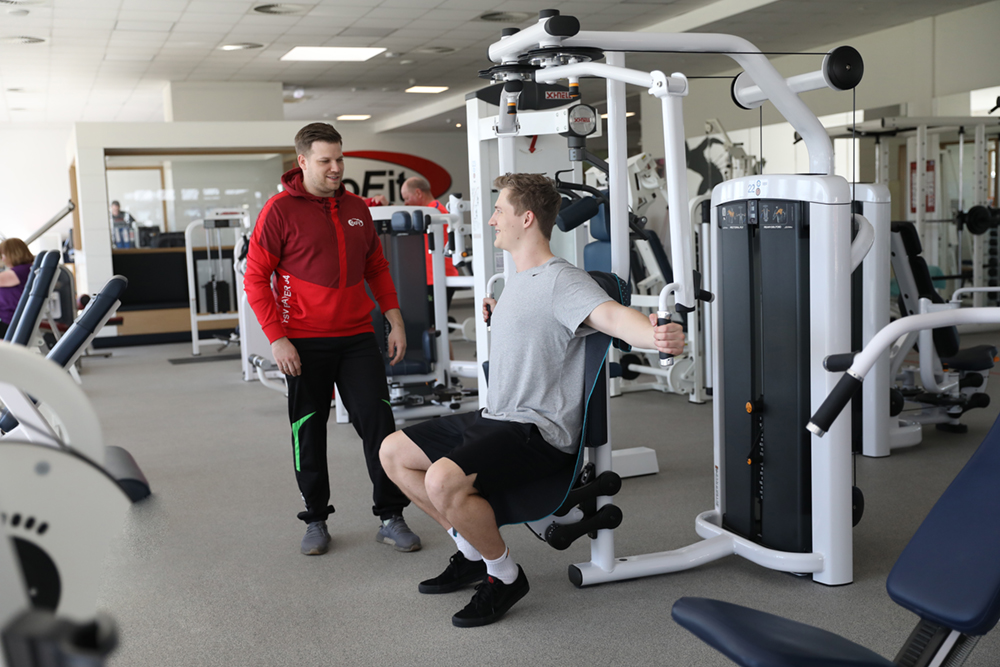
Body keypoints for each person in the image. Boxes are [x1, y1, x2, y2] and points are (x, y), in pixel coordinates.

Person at [380, 173, 685, 627]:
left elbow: (613, 317)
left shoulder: (563, 280)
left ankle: (504, 575)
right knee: (392, 452)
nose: (491, 220)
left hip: (536, 431)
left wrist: (657, 336)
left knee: (441, 481)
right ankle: (471, 549)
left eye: (498, 211)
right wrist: (498, 313)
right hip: (495, 416)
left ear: (526, 218)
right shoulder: (516, 281)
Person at [244, 122, 422, 557]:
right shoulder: (279, 211)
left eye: (340, 159)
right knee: (308, 430)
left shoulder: (357, 207)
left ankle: (390, 515)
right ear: (302, 161)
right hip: (303, 341)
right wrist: (277, 338)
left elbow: (376, 267)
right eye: (325, 161)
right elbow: (255, 278)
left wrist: (395, 318)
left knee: (379, 426)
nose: (336, 168)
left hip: (357, 336)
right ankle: (315, 518)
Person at [400, 176, 460, 310]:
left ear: (418, 193)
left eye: (407, 198)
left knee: (433, 321)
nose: (406, 204)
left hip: (437, 278)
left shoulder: (435, 212)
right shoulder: (426, 212)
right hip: (427, 279)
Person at [0, 238, 35, 338]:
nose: (3, 259)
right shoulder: (25, 269)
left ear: (12, 254)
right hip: (8, 319)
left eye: (3, 255)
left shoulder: (20, 271)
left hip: (9, 322)